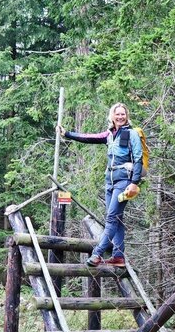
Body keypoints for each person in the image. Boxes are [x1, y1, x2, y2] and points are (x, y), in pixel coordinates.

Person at [58, 103, 142, 267]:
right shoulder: (110, 135)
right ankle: (118, 256)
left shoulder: (131, 134)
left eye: (122, 114)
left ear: (127, 116)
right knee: (116, 218)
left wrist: (134, 183)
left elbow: (138, 159)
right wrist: (67, 134)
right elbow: (89, 137)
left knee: (111, 218)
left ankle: (97, 253)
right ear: (112, 116)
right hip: (110, 182)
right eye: (117, 114)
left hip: (124, 181)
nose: (120, 117)